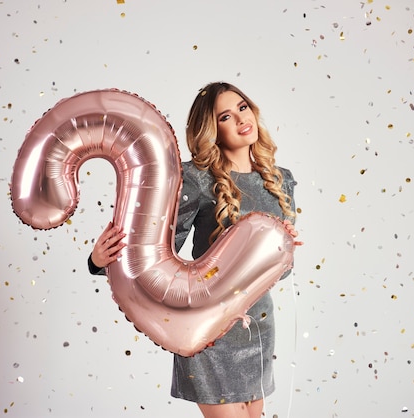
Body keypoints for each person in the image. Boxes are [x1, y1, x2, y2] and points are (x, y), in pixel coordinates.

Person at [88, 82, 301, 418]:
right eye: (225, 117)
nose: (240, 120)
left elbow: (283, 272)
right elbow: (160, 255)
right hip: (208, 329)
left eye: (243, 108)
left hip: (257, 324)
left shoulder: (281, 180)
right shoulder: (197, 179)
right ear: (212, 130)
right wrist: (99, 262)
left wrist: (283, 247)